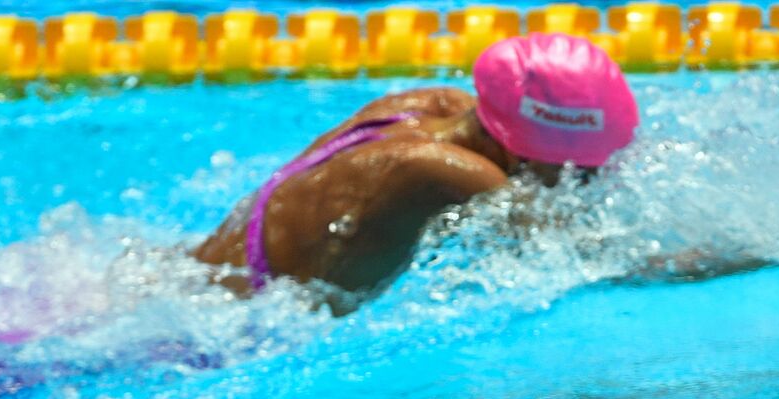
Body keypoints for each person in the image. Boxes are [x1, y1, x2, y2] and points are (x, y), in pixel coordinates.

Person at [194, 33, 640, 300]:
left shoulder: (430, 104)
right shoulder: (450, 172)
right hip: (236, 327)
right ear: (522, 150)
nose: (590, 182)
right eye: (580, 170)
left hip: (199, 271)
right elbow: (586, 258)